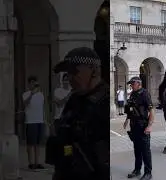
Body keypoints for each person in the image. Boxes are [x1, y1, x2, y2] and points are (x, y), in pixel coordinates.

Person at [48, 47, 109, 180]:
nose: (69, 78)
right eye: (67, 73)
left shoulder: (105, 102)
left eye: (74, 72)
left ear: (94, 71)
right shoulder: (74, 99)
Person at [124, 76, 154, 180]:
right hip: (134, 126)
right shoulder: (132, 94)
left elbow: (152, 111)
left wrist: (149, 126)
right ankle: (137, 170)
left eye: (133, 84)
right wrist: (127, 119)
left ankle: (148, 173)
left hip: (143, 126)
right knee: (137, 150)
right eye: (130, 84)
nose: (131, 86)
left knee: (145, 150)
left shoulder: (145, 94)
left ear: (138, 83)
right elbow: (131, 108)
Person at [22, 76, 45, 170]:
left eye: (34, 83)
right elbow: (25, 103)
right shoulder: (26, 94)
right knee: (31, 143)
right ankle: (31, 163)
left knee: (38, 144)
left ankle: (37, 162)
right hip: (30, 121)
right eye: (31, 83)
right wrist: (32, 94)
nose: (33, 85)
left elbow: (42, 107)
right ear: (29, 84)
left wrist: (45, 119)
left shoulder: (41, 95)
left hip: (40, 120)